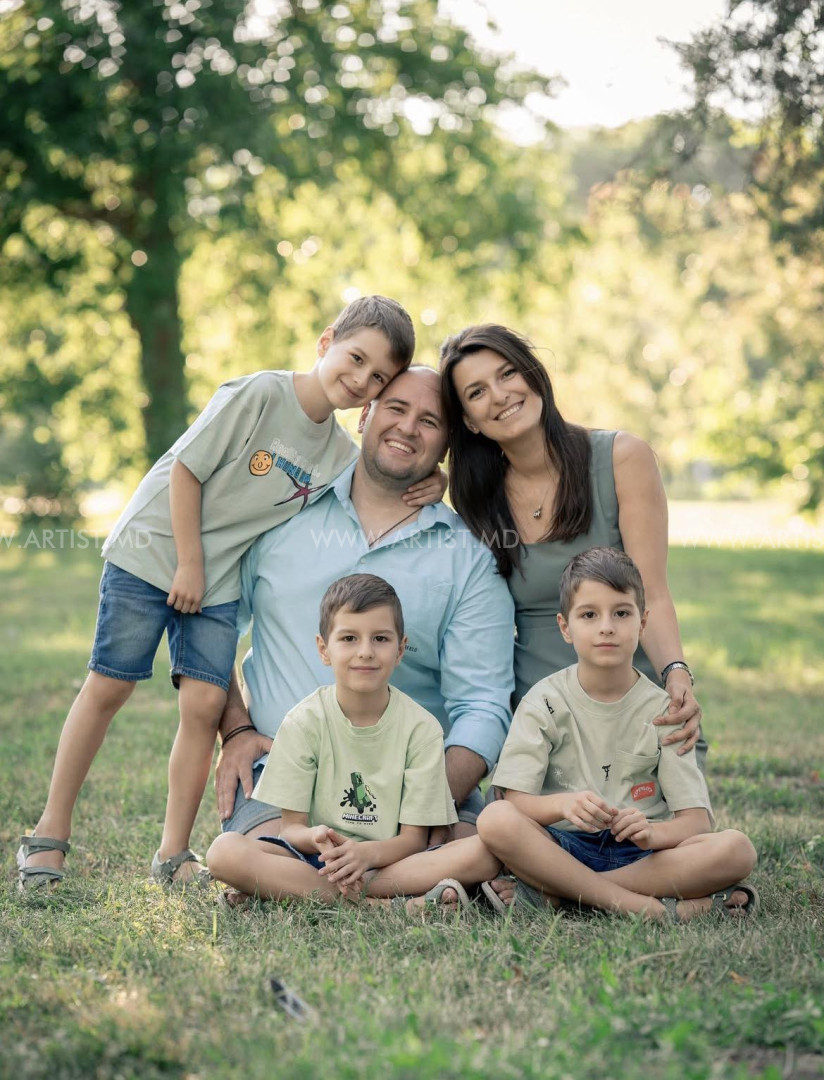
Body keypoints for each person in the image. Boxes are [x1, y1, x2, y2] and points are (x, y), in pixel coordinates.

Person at [18, 295, 441, 889]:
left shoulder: (338, 453)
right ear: (326, 342)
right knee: (110, 685)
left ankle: (172, 854)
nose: (360, 379)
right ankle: (48, 834)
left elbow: (380, 472)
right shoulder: (261, 394)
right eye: (355, 358)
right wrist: (188, 565)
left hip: (215, 578)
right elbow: (186, 470)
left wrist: (433, 477)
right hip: (155, 550)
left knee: (202, 705)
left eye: (377, 377)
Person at [213, 366, 515, 869]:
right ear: (364, 415)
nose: (407, 428)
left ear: (446, 446)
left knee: (488, 850)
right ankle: (400, 887)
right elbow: (211, 626)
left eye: (429, 421)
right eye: (395, 408)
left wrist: (422, 805)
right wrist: (236, 729)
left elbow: (483, 705)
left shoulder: (468, 557)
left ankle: (373, 876)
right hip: (284, 776)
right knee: (248, 858)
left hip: (418, 781)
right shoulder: (282, 512)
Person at [439, 324, 704, 742]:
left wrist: (675, 673)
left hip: (638, 712)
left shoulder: (622, 459)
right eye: (477, 392)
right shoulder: (476, 500)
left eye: (507, 373)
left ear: (533, 373)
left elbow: (652, 593)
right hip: (542, 724)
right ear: (468, 421)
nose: (500, 395)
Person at [477, 548, 758, 922]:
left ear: (643, 623)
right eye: (589, 615)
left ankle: (563, 894)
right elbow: (515, 801)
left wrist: (652, 834)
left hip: (641, 855)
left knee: (737, 849)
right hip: (560, 846)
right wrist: (562, 805)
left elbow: (695, 822)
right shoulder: (543, 701)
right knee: (495, 819)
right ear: (565, 627)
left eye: (621, 613)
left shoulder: (665, 711)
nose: (606, 627)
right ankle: (647, 908)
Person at [206, 573, 501, 909]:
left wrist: (366, 854)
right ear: (324, 649)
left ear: (400, 649)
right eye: (349, 638)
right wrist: (315, 837)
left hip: (393, 861)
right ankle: (384, 905)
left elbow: (413, 839)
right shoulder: (303, 722)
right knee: (224, 853)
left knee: (485, 853)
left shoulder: (421, 729)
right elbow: (291, 830)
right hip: (320, 862)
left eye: (380, 639)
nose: (365, 652)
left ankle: (305, 892)